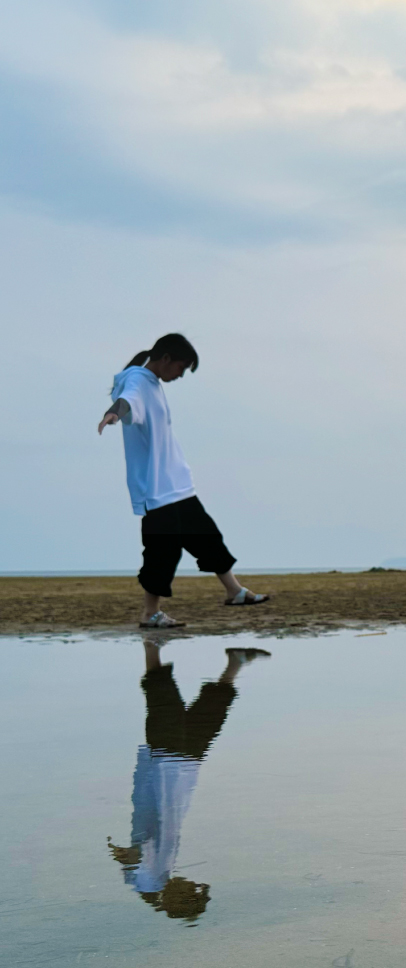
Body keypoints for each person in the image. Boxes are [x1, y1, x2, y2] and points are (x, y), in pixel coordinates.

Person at [98, 334, 268, 627]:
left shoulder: (152, 382)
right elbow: (127, 402)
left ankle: (235, 592)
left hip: (176, 483)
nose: (180, 374)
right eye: (181, 367)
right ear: (165, 359)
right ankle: (150, 614)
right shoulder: (137, 380)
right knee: (163, 551)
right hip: (156, 489)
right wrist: (113, 413)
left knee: (207, 536)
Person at [108, 640, 271, 921]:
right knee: (210, 717)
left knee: (164, 703)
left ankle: (152, 646)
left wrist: (129, 856)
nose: (189, 881)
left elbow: (132, 859)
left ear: (179, 899)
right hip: (180, 770)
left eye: (191, 889)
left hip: (164, 767)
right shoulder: (160, 879)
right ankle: (235, 662)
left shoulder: (151, 882)